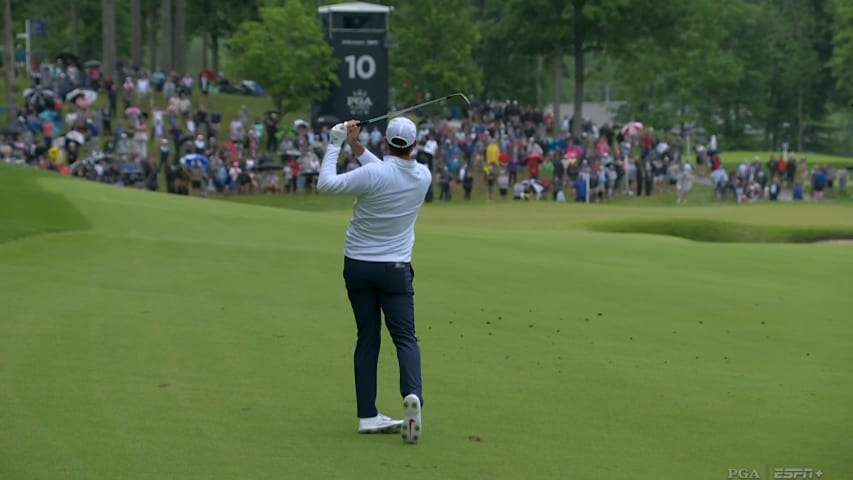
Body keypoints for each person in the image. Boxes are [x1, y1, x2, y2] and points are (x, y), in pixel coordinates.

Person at [317, 117, 429, 444]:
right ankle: (413, 396)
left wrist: (335, 143)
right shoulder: (423, 175)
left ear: (386, 142)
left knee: (367, 338)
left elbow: (326, 184)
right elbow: (388, 172)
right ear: (415, 144)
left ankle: (367, 415)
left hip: (358, 267)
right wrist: (354, 146)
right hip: (395, 270)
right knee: (405, 338)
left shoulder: (373, 173)